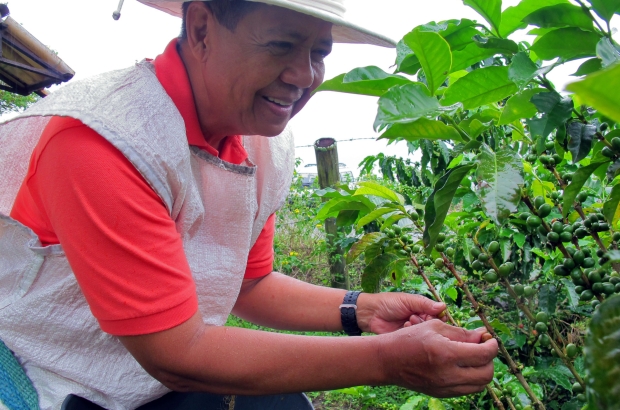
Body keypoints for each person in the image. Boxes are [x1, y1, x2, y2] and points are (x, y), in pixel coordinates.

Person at [0, 1, 498, 409]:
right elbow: (177, 353)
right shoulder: (103, 142)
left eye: (319, 52)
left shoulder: (260, 143)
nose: (304, 75)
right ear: (201, 28)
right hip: (66, 380)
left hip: (161, 379)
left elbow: (250, 283)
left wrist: (362, 311)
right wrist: (388, 359)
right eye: (282, 45)